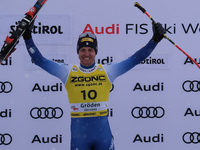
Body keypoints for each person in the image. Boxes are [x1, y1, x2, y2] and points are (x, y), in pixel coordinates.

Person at [22, 18, 165, 150]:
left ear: (95, 52)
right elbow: (40, 60)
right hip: (79, 137)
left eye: (90, 50)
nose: (86, 54)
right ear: (78, 52)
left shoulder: (108, 70)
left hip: (102, 135)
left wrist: (154, 40)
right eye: (82, 50)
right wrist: (28, 38)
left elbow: (135, 59)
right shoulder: (68, 71)